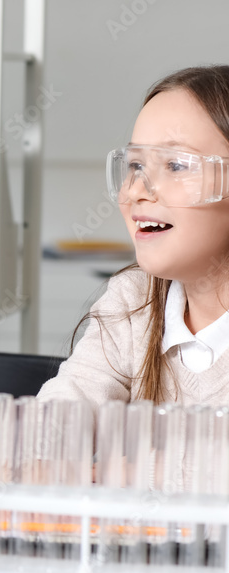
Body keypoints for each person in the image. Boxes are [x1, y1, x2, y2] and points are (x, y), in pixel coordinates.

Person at [40, 65, 229, 406]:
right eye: (135, 165)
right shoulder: (134, 300)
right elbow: (58, 418)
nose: (136, 191)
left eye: (175, 165)